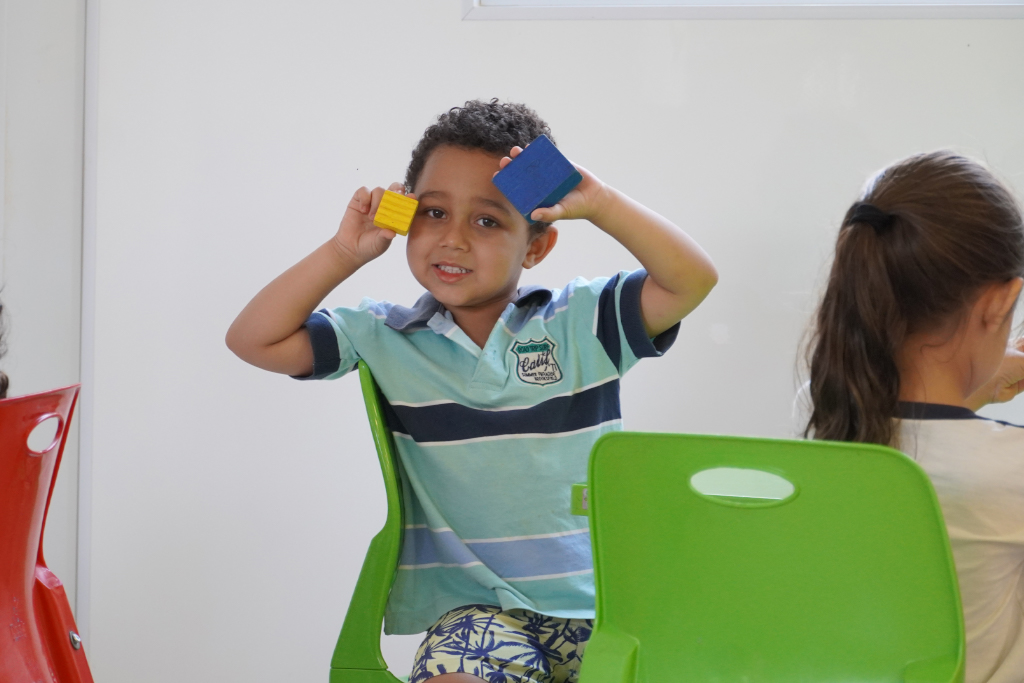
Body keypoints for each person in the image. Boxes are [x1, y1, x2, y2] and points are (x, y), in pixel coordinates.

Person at [226, 99, 717, 683]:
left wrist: (602, 203)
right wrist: (343, 253)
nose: (453, 239)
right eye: (433, 212)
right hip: (477, 612)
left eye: (487, 221)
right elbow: (253, 339)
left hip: (607, 611)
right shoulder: (386, 335)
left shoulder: (582, 323)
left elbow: (691, 280)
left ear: (535, 247)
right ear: (406, 217)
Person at [803, 150, 1024, 683]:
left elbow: (927, 451)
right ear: (1000, 303)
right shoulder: (1011, 471)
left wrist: (977, 391)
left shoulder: (824, 431)